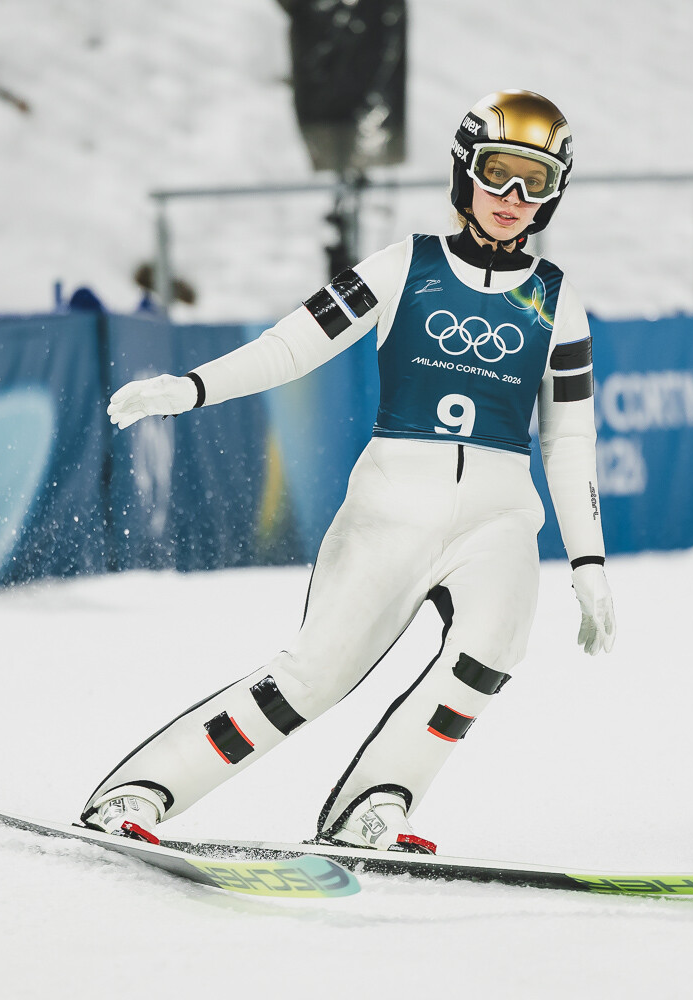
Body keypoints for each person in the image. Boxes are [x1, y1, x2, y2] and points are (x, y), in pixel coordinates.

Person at [90, 89, 615, 854]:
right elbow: (289, 347)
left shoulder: (558, 300)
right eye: (497, 172)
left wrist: (589, 562)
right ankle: (139, 792)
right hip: (390, 510)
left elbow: (569, 440)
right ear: (464, 171)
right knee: (314, 677)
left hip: (500, 520)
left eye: (534, 181)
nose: (512, 196)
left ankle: (375, 803)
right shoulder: (405, 266)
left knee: (492, 651)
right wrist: (191, 389)